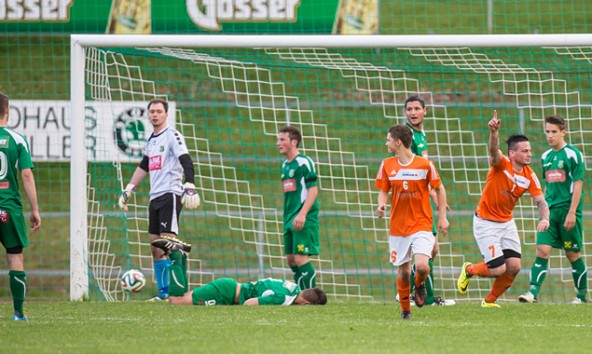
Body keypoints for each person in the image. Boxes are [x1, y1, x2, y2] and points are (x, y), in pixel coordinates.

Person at [457, 110, 550, 308]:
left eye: (529, 150)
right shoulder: (501, 165)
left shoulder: (529, 175)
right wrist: (494, 133)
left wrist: (545, 219)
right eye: (524, 151)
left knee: (514, 266)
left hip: (506, 223)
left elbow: (541, 202)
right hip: (485, 222)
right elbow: (493, 151)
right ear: (512, 153)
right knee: (498, 269)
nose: (529, 154)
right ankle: (470, 270)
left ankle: (489, 302)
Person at [118, 98, 200, 301]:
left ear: (166, 114)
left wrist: (190, 184)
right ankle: (163, 293)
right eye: (152, 111)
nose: (154, 114)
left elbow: (186, 160)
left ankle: (177, 292)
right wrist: (129, 188)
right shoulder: (151, 140)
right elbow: (144, 165)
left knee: (168, 242)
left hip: (170, 194)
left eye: (158, 111)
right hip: (155, 197)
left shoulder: (172, 136)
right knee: (155, 246)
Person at [375, 124, 449, 320]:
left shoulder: (425, 165)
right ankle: (406, 310)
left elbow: (440, 189)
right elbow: (384, 190)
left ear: (398, 142)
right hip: (398, 226)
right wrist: (381, 205)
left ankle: (420, 283)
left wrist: (442, 218)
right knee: (403, 270)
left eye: (388, 139)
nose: (386, 143)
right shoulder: (386, 165)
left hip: (422, 223)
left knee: (423, 266)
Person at [518, 115, 587, 304]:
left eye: (554, 132)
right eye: (547, 131)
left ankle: (581, 296)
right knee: (542, 250)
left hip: (568, 212)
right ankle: (532, 293)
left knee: (572, 254)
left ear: (563, 132)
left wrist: (572, 212)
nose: (550, 136)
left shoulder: (573, 154)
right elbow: (547, 185)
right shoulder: (545, 156)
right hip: (550, 213)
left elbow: (578, 185)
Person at [150, 238, 327, 306]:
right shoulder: (283, 298)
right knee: (176, 301)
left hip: (229, 288)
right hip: (224, 293)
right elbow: (249, 303)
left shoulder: (293, 288)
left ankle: (183, 255)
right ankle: (175, 255)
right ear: (305, 304)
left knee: (183, 296)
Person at [403, 95, 454, 306]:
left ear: (426, 111)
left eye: (416, 108)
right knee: (427, 248)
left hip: (422, 197)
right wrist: (434, 193)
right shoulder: (407, 135)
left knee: (431, 249)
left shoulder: (420, 135)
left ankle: (415, 292)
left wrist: (434, 194)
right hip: (413, 200)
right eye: (409, 109)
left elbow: (424, 168)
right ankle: (418, 295)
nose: (413, 113)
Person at [0, 92, 41, 321]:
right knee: (14, 256)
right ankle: (18, 313)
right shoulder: (17, 139)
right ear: (8, 111)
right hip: (9, 209)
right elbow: (26, 174)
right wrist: (34, 210)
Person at [276, 126, 320, 290]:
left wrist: (302, 214)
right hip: (289, 217)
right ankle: (301, 294)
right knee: (291, 259)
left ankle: (310, 297)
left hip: (303, 216)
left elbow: (313, 190)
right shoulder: (285, 165)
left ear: (293, 142)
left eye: (282, 139)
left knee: (301, 258)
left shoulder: (304, 162)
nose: (278, 143)